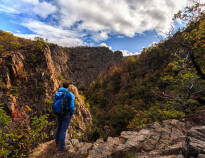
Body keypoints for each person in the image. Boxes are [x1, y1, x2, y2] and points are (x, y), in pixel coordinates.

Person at [54, 82, 75, 151]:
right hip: (66, 114)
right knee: (63, 130)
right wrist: (71, 113)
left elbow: (54, 102)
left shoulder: (57, 93)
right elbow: (71, 106)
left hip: (58, 113)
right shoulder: (70, 94)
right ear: (68, 87)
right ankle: (62, 148)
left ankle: (57, 143)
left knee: (59, 127)